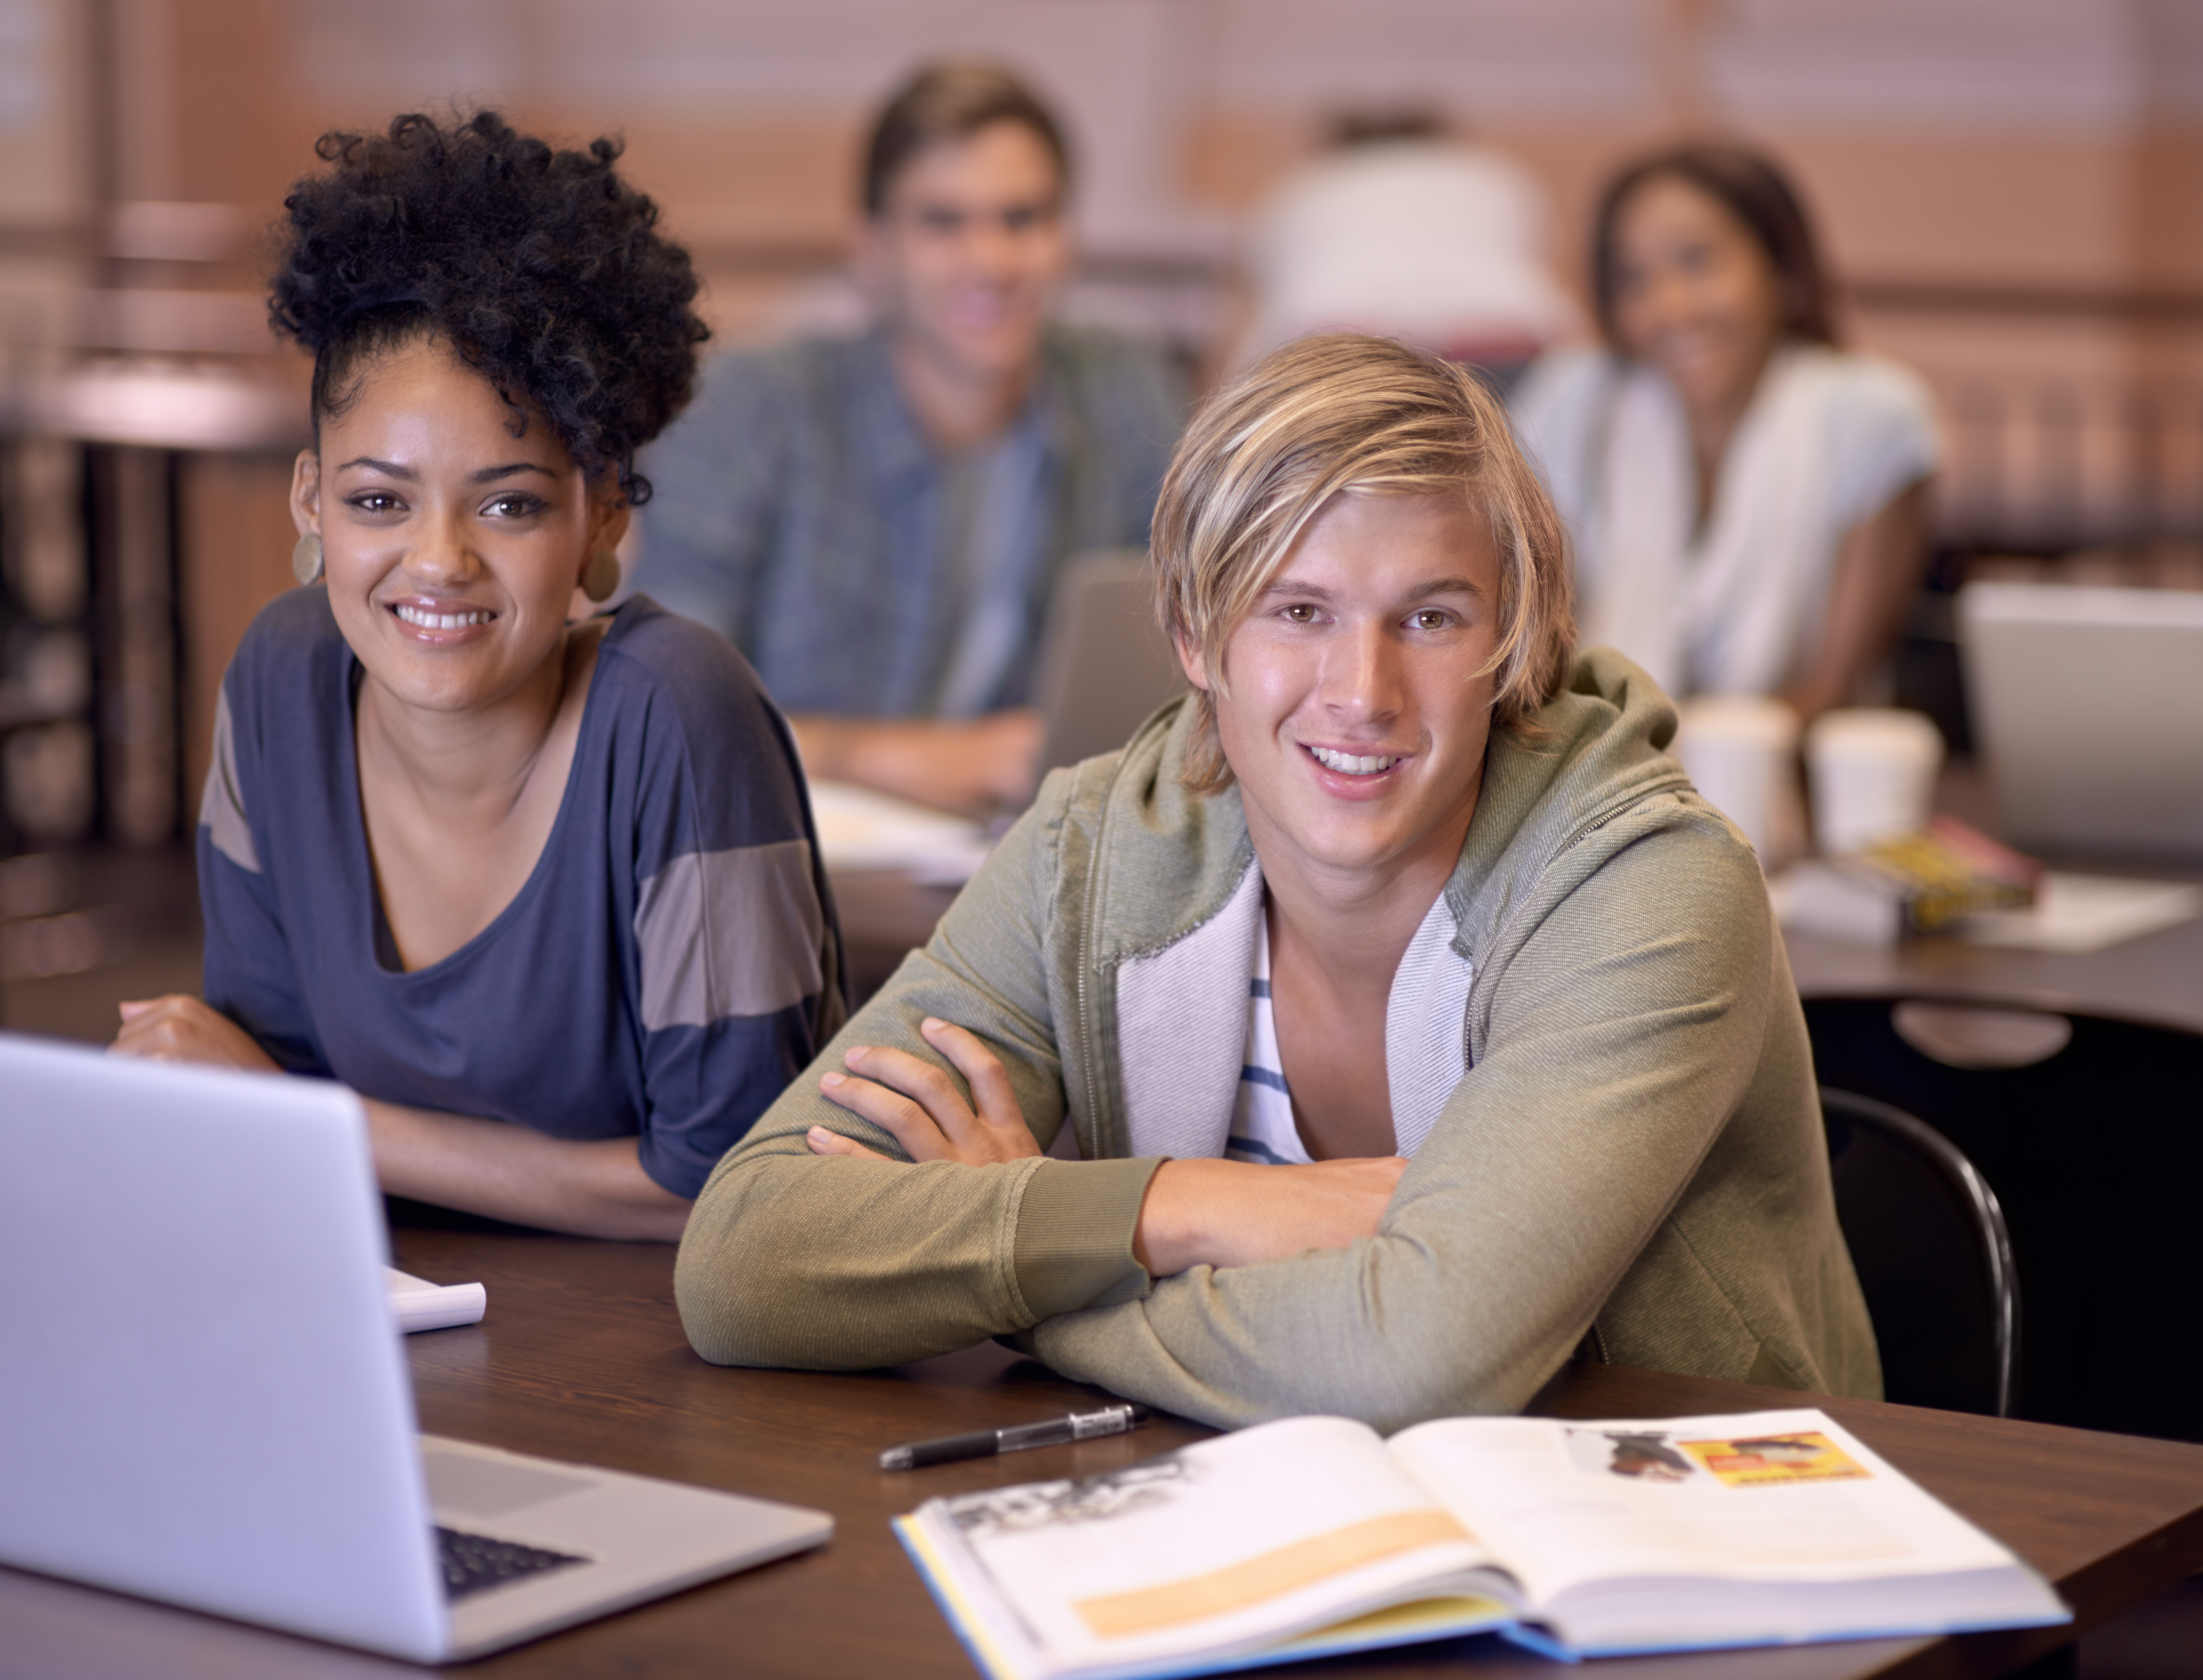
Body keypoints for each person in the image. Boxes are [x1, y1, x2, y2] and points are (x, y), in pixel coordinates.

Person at [674, 334, 1877, 1430]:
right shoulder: (1091, 852)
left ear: (1510, 639)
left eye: (1431, 618)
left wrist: (1028, 1273)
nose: (1361, 692)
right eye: (1298, 610)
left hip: (1680, 1532)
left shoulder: (1649, 888)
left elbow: (1417, 1361)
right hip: (1267, 1524)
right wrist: (1181, 1206)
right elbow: (745, 1258)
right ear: (1195, 635)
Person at [110, 112, 845, 1241]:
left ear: (602, 513)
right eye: (378, 500)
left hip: (663, 1340)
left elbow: (736, 1184)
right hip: (380, 1302)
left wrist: (324, 1125)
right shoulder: (282, 676)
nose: (439, 561)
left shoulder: (677, 715)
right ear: (310, 502)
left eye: (509, 504)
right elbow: (260, 1091)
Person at [633, 61, 1186, 814]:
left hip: (1034, 837)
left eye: (1021, 218)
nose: (989, 262)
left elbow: (1190, 654)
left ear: (1066, 239)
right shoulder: (752, 408)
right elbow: (659, 709)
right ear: (873, 249)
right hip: (800, 838)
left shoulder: (1123, 389)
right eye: (941, 223)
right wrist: (897, 758)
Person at [1511, 144, 1939, 721]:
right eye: (1632, 278)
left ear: (1783, 270)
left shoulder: (1869, 417)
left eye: (1696, 262)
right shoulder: (1579, 397)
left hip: (1782, 766)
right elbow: (1525, 639)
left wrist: (1680, 754)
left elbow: (1830, 689)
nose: (1669, 307)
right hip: (1588, 756)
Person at [1233, 109, 1578, 392]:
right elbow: (1544, 266)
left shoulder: (1307, 182)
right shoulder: (1496, 174)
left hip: (1342, 330)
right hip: (1493, 331)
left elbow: (1260, 290)